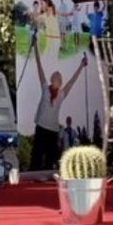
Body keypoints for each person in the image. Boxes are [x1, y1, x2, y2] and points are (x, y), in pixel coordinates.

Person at [30, 40, 88, 171]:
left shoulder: (62, 94)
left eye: (60, 79)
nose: (59, 80)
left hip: (53, 129)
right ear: (51, 80)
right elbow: (39, 68)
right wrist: (35, 48)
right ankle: (33, 175)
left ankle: (49, 177)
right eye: (57, 78)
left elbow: (72, 81)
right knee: (36, 155)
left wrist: (81, 66)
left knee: (51, 157)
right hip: (41, 126)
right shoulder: (45, 87)